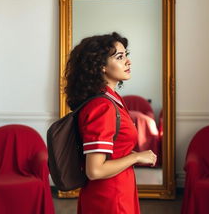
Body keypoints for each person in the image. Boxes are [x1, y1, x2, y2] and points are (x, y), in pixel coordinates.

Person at [64, 32, 157, 214]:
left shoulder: (110, 99)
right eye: (119, 57)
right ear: (101, 66)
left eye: (126, 55)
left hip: (117, 189)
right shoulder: (102, 106)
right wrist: (136, 157)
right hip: (111, 198)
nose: (128, 62)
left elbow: (112, 150)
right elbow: (95, 170)